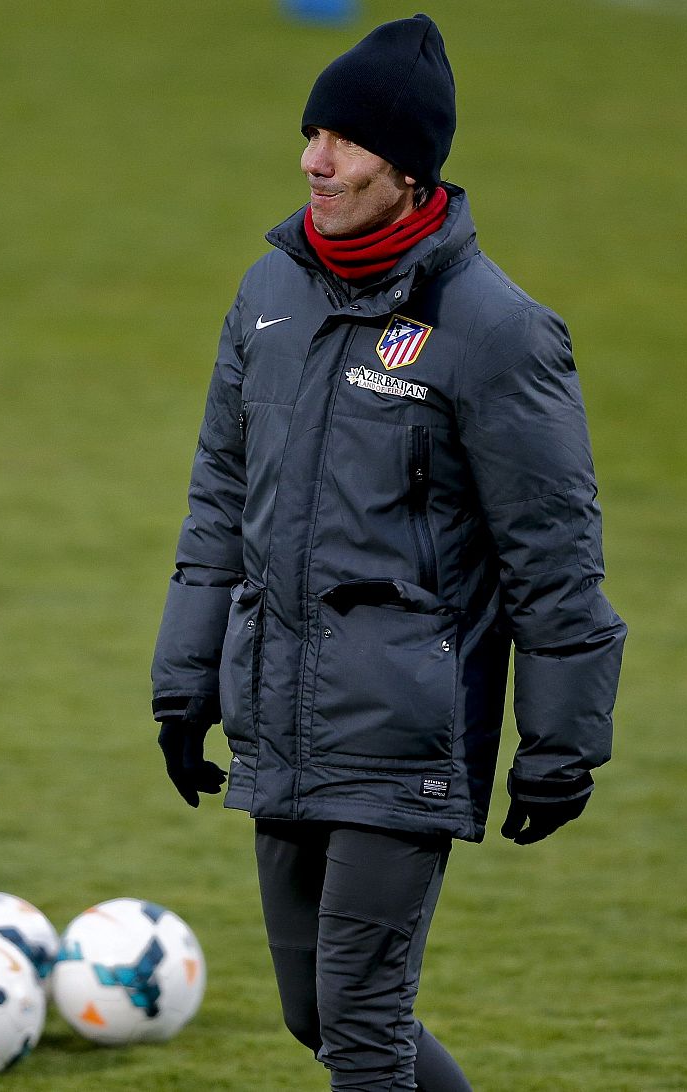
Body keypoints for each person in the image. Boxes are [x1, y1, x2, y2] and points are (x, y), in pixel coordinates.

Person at [149, 14, 627, 1092]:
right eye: (310, 132)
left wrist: (559, 742)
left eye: (346, 141)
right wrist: (184, 682)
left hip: (404, 726)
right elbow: (219, 501)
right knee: (313, 1013)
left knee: (364, 1027)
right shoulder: (268, 296)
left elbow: (553, 555)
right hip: (276, 707)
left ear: (409, 169)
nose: (315, 160)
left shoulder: (497, 332)